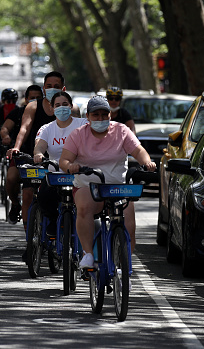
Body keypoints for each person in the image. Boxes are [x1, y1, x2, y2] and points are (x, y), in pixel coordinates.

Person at [58, 96, 156, 269]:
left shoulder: (122, 130)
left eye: (105, 114)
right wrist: (71, 167)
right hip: (89, 186)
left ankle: (124, 267)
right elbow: (64, 160)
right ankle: (88, 254)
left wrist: (146, 162)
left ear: (110, 115)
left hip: (118, 186)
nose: (101, 118)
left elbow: (139, 150)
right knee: (84, 208)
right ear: (87, 117)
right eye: (96, 115)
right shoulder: (78, 134)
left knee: (129, 224)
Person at [7, 71, 65, 229]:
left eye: (56, 86)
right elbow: (24, 129)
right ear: (44, 88)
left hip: (62, 161)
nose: (52, 89)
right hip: (35, 159)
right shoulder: (33, 106)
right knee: (27, 194)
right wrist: (16, 147)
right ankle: (30, 241)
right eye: (49, 86)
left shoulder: (69, 109)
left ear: (63, 89)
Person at [33, 91, 88, 235]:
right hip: (55, 176)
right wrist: (38, 154)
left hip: (80, 175)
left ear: (71, 106)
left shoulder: (83, 124)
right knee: (43, 196)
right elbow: (39, 146)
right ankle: (53, 221)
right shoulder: (47, 129)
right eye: (57, 105)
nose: (61, 108)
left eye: (65, 104)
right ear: (51, 108)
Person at [0, 85, 43, 223]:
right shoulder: (18, 112)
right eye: (32, 98)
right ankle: (15, 204)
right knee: (11, 179)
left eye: (38, 98)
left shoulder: (50, 112)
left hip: (44, 158)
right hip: (21, 156)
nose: (35, 100)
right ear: (26, 99)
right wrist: (5, 136)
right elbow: (5, 127)